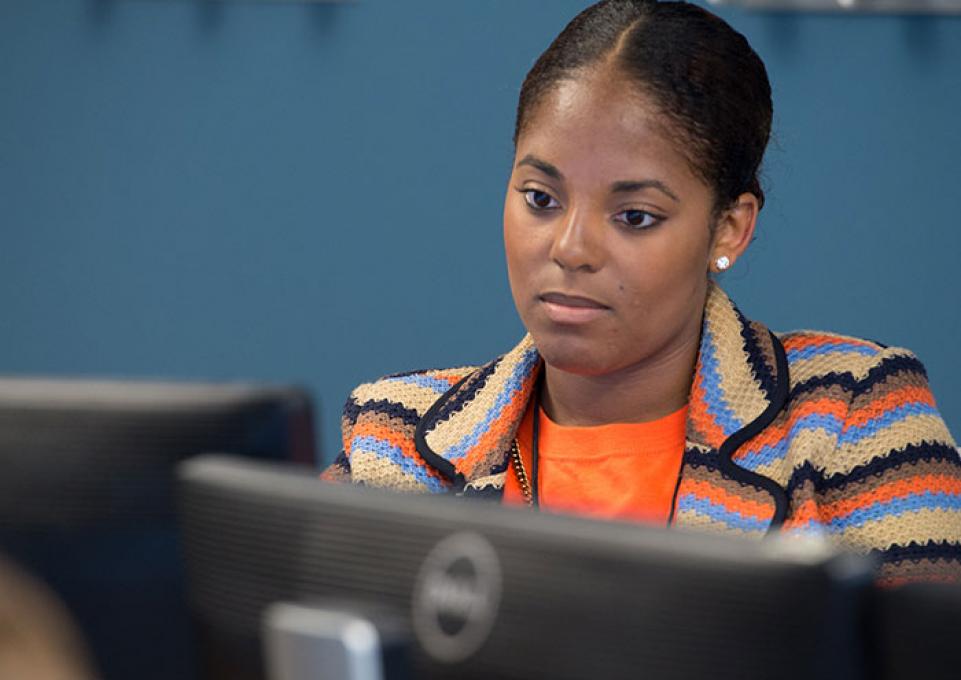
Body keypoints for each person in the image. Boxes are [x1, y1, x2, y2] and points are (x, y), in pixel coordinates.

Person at [322, 0, 961, 585]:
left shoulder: (852, 417)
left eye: (634, 216)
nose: (570, 248)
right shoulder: (392, 439)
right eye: (540, 200)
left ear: (730, 227)